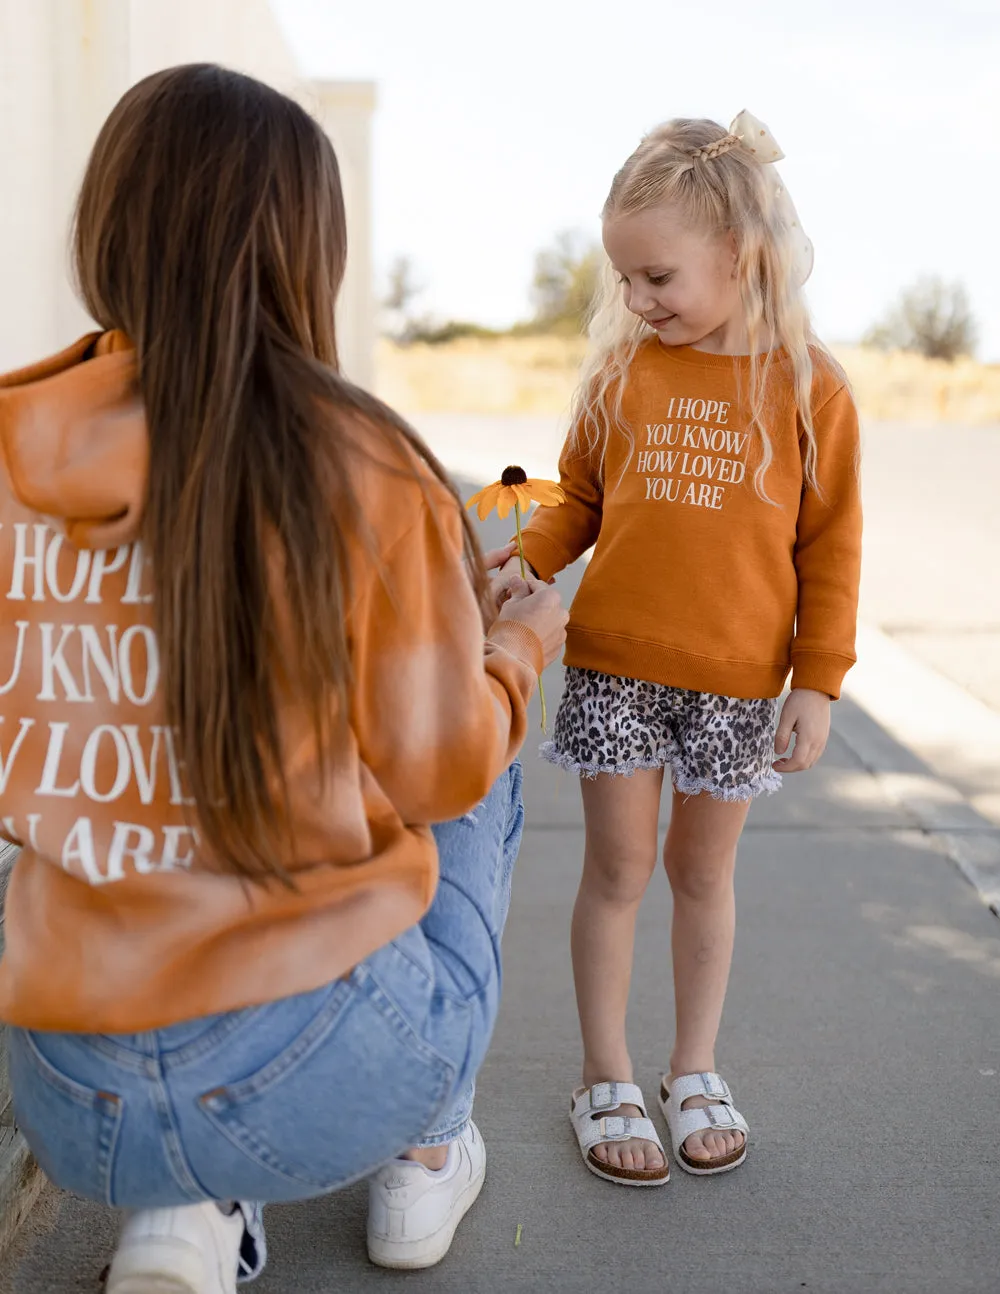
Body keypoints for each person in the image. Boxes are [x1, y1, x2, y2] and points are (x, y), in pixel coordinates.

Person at [0, 64, 567, 1291]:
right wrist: (512, 645)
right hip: (319, 1064)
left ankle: (187, 1211)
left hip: (62, 1083)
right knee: (482, 762)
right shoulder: (364, 462)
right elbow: (441, 759)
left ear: (108, 223)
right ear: (309, 251)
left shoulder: (11, 444)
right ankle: (423, 1155)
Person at [498, 111, 862, 1185]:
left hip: (740, 685)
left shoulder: (810, 389)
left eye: (657, 276)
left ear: (739, 256)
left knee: (703, 874)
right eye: (624, 280)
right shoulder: (623, 377)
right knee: (615, 869)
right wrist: (527, 560)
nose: (637, 300)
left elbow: (831, 546)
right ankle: (603, 1072)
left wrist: (818, 683)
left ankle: (691, 1066)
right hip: (614, 665)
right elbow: (578, 502)